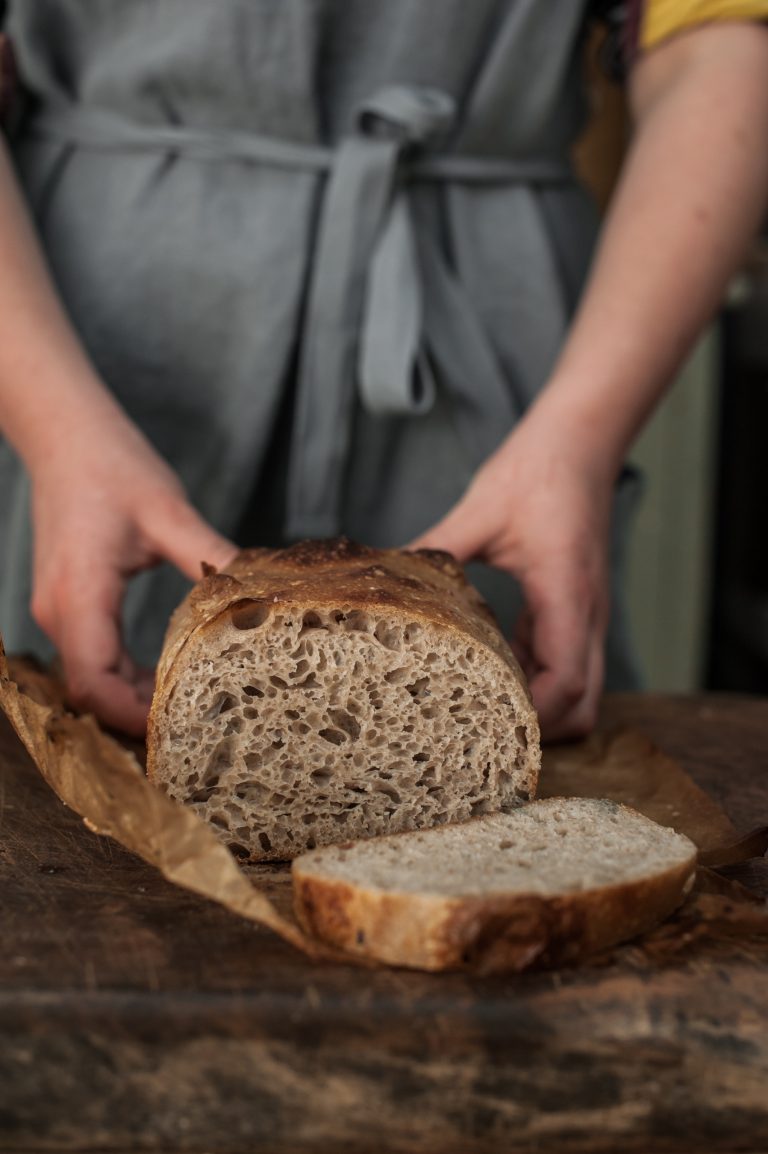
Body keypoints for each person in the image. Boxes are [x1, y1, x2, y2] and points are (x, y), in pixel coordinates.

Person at [0, 1, 766, 742]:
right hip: (64, 342)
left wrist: (581, 438)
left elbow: (723, 42)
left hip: (508, 360)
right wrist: (58, 432)